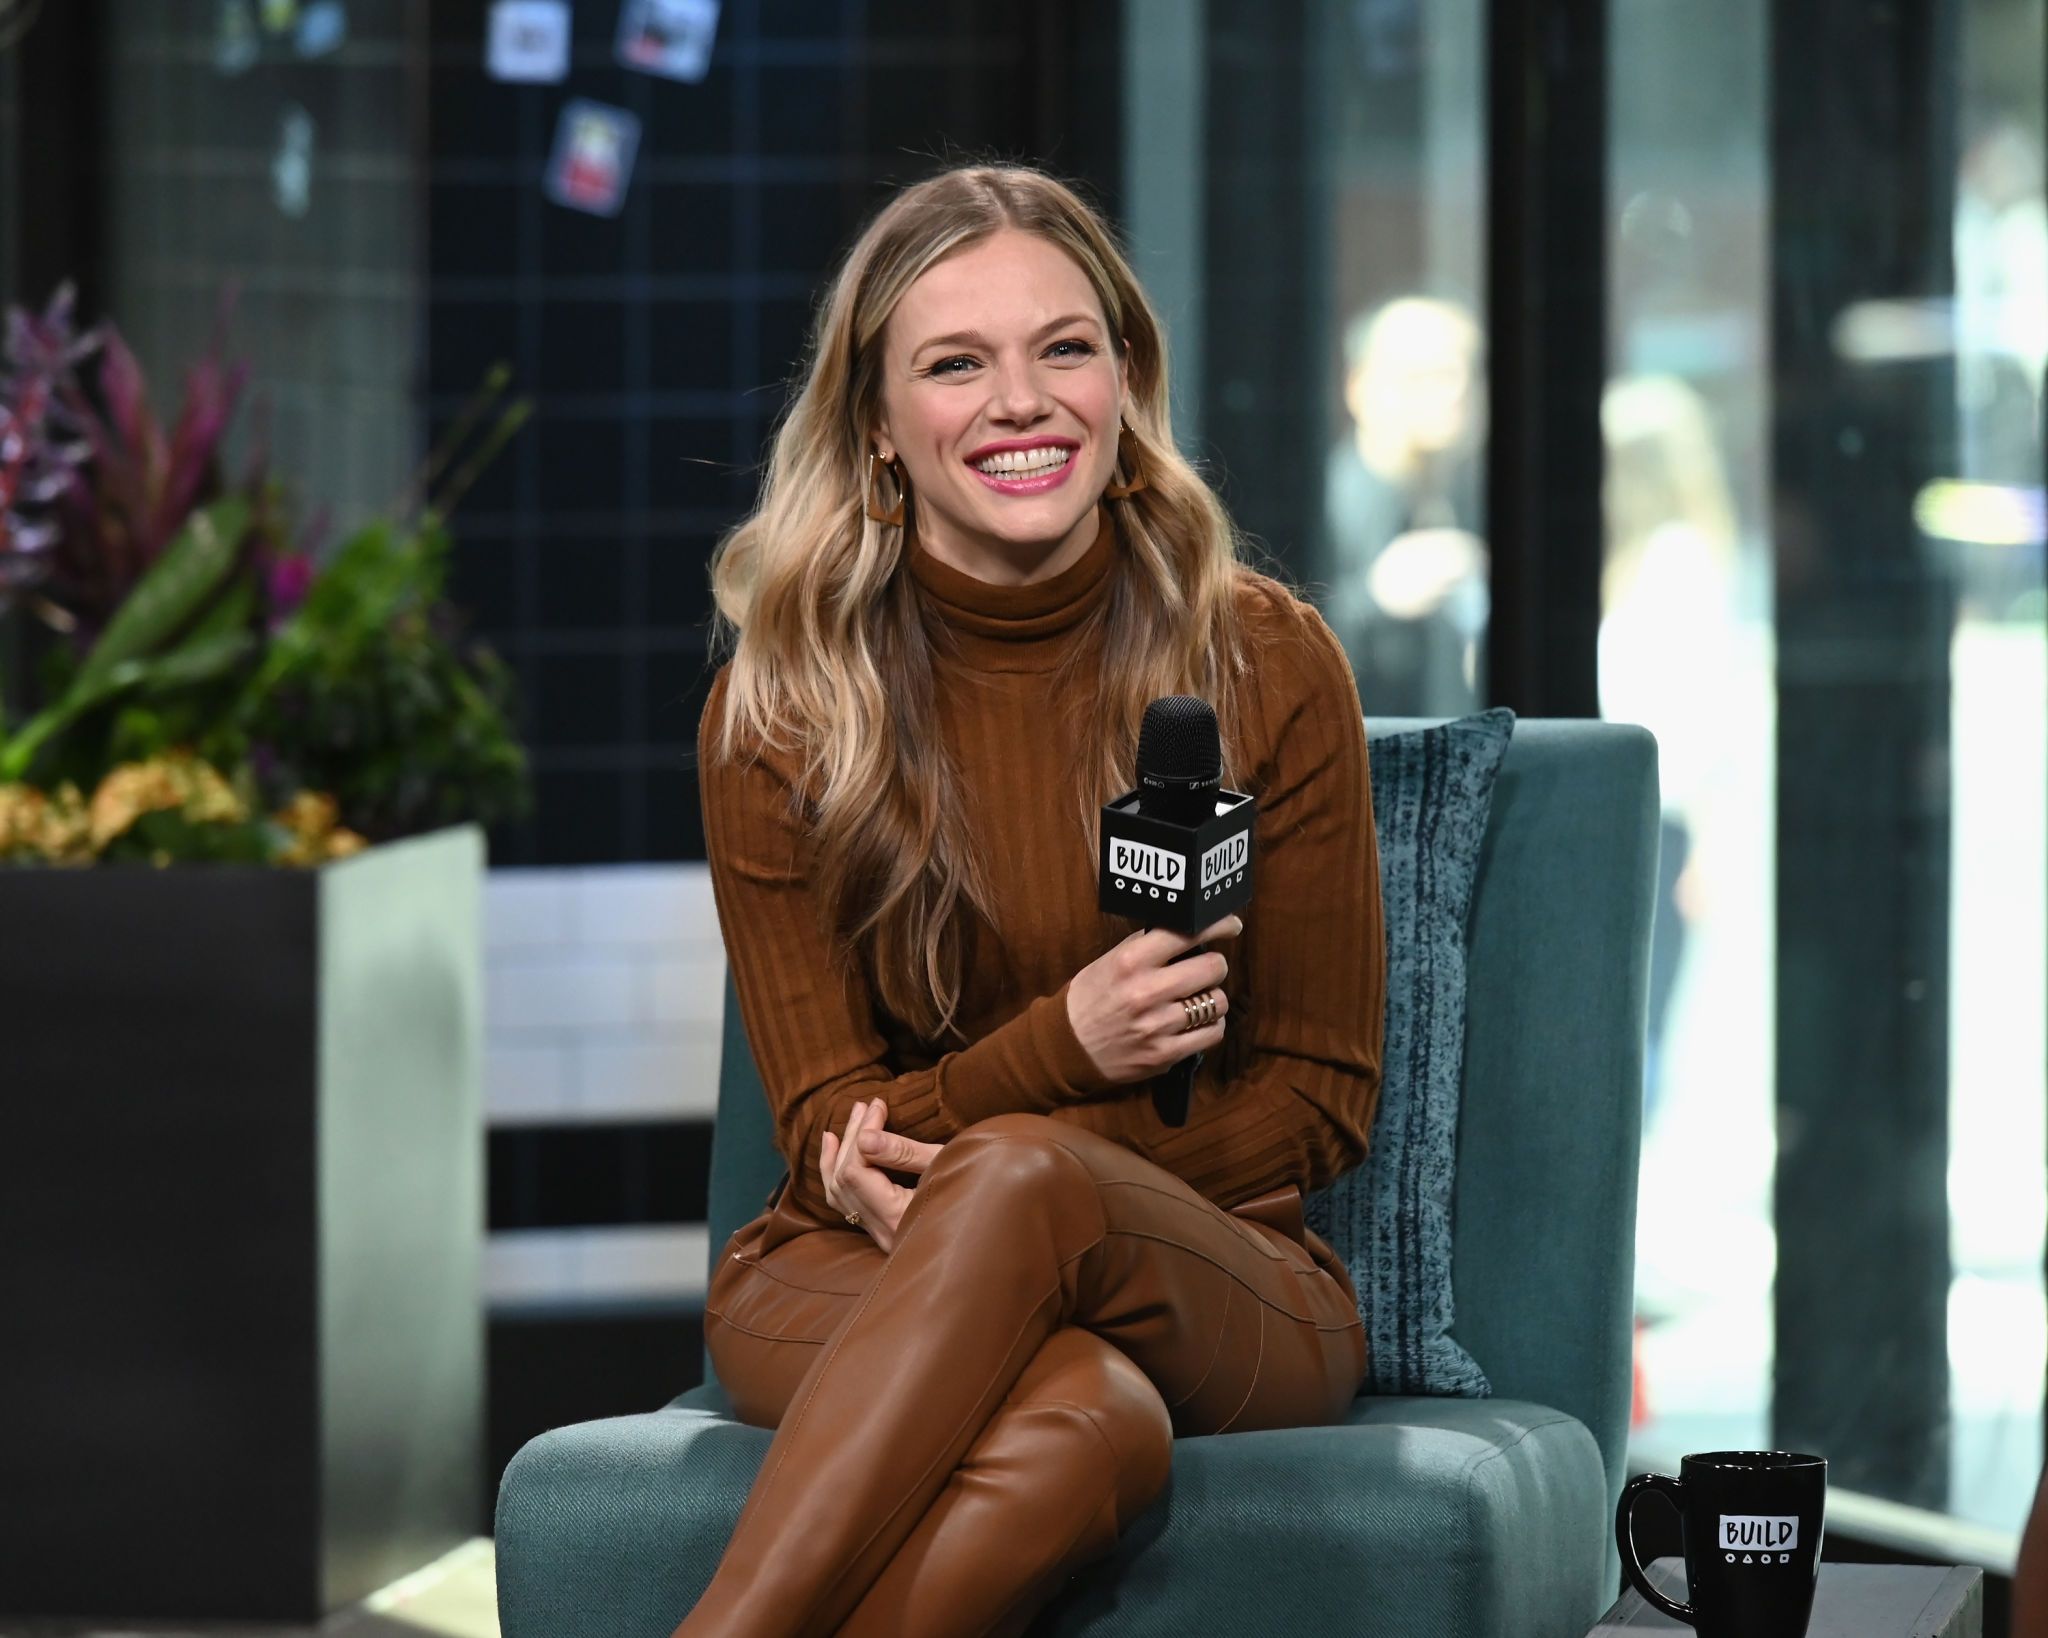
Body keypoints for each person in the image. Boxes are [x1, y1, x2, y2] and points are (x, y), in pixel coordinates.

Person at [679, 161, 1386, 1637]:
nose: (1022, 400)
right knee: (1084, 1425)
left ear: (1125, 378)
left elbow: (1320, 1100)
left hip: (1224, 1263)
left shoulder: (1267, 657)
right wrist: (1066, 1045)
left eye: (1065, 347)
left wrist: (1034, 1174)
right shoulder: (782, 706)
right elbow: (830, 1130)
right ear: (878, 422)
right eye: (955, 362)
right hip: (853, 1259)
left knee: (1020, 1184)